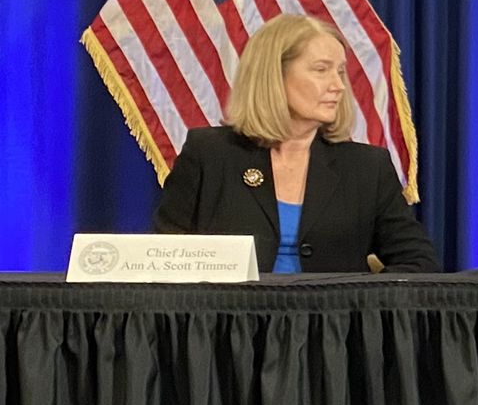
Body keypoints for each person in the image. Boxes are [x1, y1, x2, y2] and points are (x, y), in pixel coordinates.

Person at [153, 14, 440, 273]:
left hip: (332, 317)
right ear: (274, 76)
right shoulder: (209, 155)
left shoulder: (367, 168)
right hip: (229, 316)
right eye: (321, 70)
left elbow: (419, 263)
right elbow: (161, 261)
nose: (338, 85)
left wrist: (360, 304)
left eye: (340, 72)